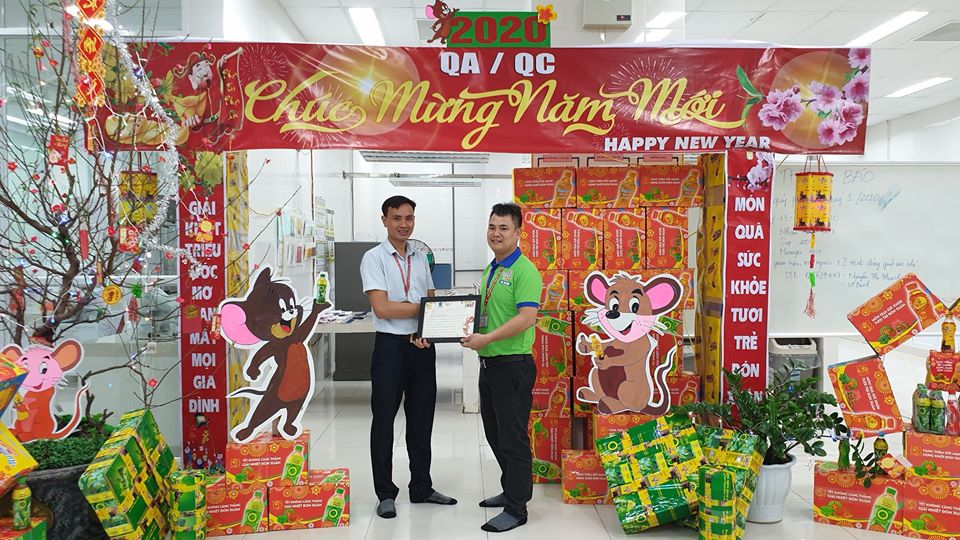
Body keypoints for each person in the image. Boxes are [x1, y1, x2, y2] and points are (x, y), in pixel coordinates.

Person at [360, 196, 457, 519]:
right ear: (384, 220)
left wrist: (426, 324)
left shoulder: (420, 257)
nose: (404, 224)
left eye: (409, 218)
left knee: (421, 419)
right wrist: (423, 310)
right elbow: (382, 308)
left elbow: (430, 298)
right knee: (383, 421)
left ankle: (422, 487)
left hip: (421, 346)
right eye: (397, 218)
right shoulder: (374, 258)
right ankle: (385, 493)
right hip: (390, 348)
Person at [462, 202, 542, 533]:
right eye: (492, 227)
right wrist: (468, 331)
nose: (496, 233)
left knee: (513, 438)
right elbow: (486, 313)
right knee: (495, 435)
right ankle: (511, 490)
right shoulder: (491, 269)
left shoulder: (525, 271)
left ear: (518, 233)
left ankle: (517, 507)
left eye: (504, 228)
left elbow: (527, 318)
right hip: (490, 364)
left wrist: (488, 338)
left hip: (512, 366)